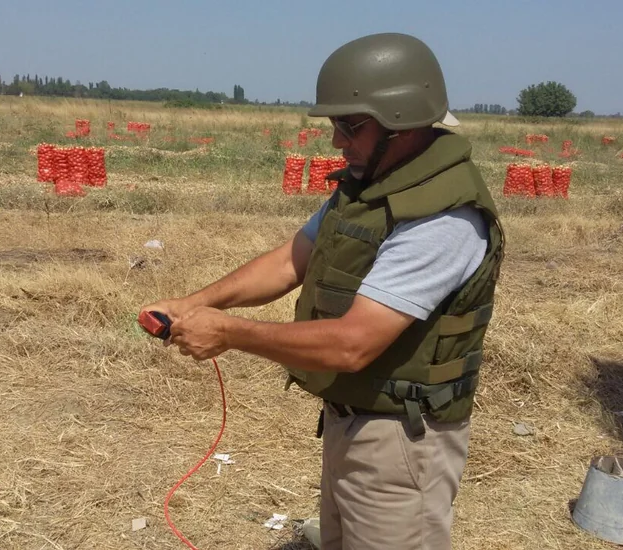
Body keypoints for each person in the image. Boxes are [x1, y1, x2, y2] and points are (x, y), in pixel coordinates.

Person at [140, 32, 505, 550]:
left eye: (349, 126)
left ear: (400, 120)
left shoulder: (442, 219)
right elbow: (292, 260)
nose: (336, 140)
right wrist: (198, 303)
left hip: (401, 441)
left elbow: (353, 343)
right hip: (352, 421)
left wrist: (229, 333)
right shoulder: (371, 184)